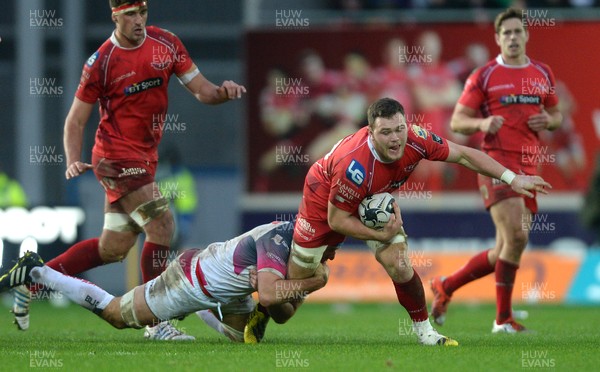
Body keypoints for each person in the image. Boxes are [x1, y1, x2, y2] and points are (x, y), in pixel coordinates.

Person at [11, 0, 246, 340]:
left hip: (144, 160)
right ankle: (156, 322)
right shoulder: (101, 62)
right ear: (115, 16)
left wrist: (222, 93)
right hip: (115, 157)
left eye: (144, 13)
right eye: (132, 15)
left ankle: (33, 278)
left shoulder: (166, 44)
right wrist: (71, 158)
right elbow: (75, 120)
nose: (140, 21)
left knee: (113, 249)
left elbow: (202, 91)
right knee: (162, 226)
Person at [247, 97, 550, 346]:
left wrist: (512, 178)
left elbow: (464, 155)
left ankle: (426, 333)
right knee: (285, 308)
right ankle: (262, 306)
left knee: (401, 264)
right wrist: (379, 235)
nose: (395, 139)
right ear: (370, 132)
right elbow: (337, 219)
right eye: (386, 132)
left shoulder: (417, 139)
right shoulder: (354, 164)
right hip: (321, 205)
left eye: (399, 129)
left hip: (371, 202)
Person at [430, 8, 562, 333]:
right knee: (517, 235)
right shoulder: (484, 75)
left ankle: (446, 285)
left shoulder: (542, 73)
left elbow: (556, 114)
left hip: (529, 167)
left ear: (527, 35)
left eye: (518, 31)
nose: (513, 37)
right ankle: (502, 319)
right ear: (497, 38)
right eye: (507, 33)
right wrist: (482, 122)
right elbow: (457, 122)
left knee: (508, 245)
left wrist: (550, 120)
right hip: (495, 164)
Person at [0, 222, 330, 343]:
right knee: (117, 315)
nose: (331, 255)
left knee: (242, 338)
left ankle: (204, 310)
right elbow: (272, 297)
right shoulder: (279, 239)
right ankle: (38, 271)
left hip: (225, 284)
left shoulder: (300, 251)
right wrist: (314, 283)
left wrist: (306, 283)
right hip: (190, 279)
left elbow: (282, 312)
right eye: (332, 247)